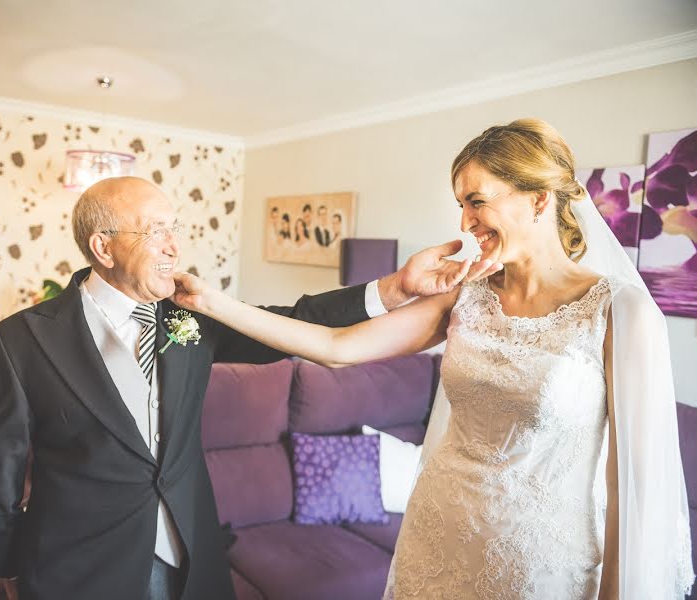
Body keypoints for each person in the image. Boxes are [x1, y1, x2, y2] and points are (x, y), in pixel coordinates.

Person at [171, 119, 695, 599]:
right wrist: (213, 303)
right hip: (437, 539)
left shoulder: (619, 312)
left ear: (538, 201)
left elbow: (633, 483)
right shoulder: (463, 296)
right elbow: (337, 347)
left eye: (476, 201)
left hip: (542, 564)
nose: (466, 223)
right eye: (461, 205)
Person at [0, 176, 499, 600]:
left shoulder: (191, 313)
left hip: (194, 557)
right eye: (155, 231)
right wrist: (9, 563)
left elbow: (299, 319)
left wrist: (396, 287)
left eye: (175, 227)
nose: (174, 246)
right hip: (79, 569)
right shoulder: (23, 338)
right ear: (103, 246)